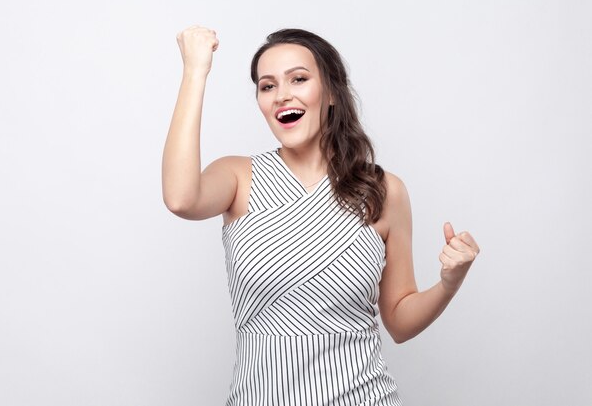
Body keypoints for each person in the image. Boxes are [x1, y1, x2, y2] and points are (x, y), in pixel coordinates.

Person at [162, 24, 480, 406]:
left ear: (330, 91)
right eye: (267, 86)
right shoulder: (237, 177)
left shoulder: (383, 190)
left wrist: (449, 282)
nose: (282, 96)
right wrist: (196, 71)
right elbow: (181, 198)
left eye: (298, 79)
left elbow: (399, 319)